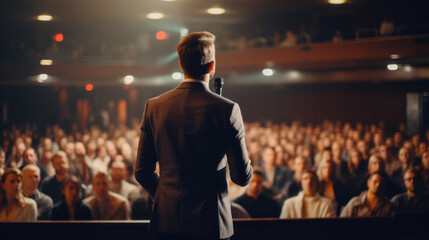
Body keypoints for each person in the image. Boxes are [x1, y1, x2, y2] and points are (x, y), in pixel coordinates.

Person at [135, 31, 253, 240]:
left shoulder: (153, 106)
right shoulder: (227, 109)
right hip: (211, 223)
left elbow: (142, 171)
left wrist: (167, 198)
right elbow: (241, 177)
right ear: (211, 66)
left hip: (167, 222)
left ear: (180, 64)